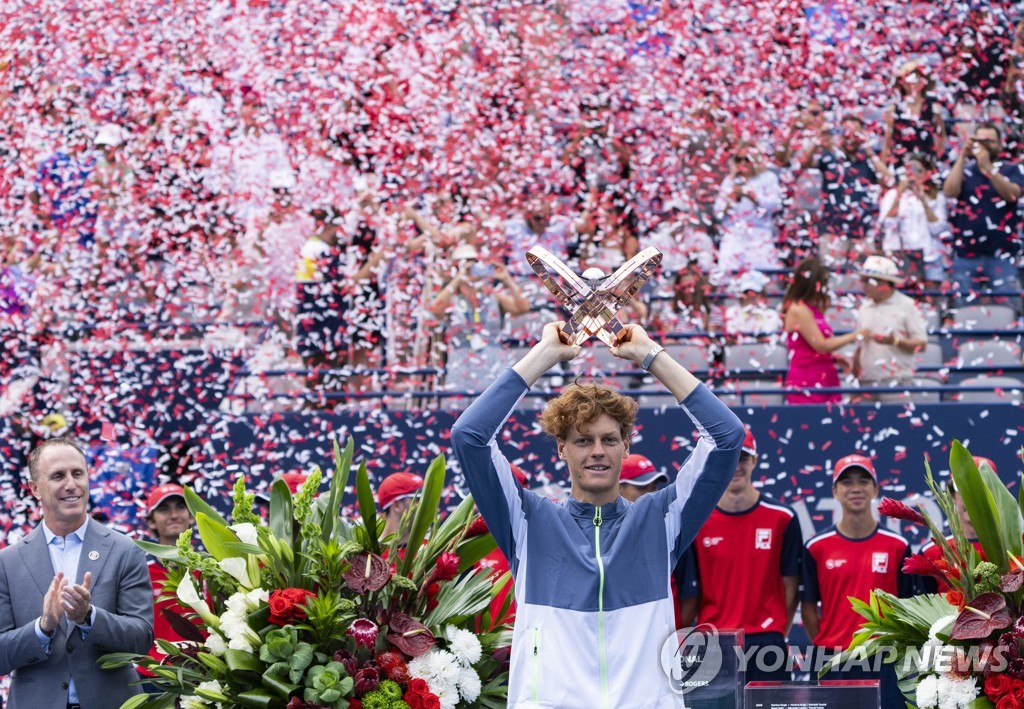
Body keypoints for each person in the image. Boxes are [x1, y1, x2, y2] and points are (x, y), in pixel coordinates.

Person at [450, 320, 745, 707]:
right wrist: (546, 355)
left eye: (609, 439)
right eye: (583, 441)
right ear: (561, 448)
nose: (597, 451)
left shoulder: (659, 519)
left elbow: (727, 436)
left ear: (626, 446)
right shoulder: (528, 521)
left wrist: (649, 355)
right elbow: (468, 436)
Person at [0, 438, 153, 708]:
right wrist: (42, 628)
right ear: (34, 489)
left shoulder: (124, 549)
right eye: (58, 476)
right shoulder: (7, 562)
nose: (71, 484)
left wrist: (89, 618)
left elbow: (141, 639)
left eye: (77, 473)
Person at [677, 428, 801, 681]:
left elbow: (791, 584)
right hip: (714, 639)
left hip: (766, 641)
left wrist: (775, 630)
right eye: (729, 457)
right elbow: (691, 591)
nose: (736, 466)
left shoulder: (782, 517)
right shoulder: (696, 520)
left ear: (754, 461)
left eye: (742, 458)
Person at [801, 454, 915, 708]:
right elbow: (808, 606)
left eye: (863, 481)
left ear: (875, 489)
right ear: (835, 491)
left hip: (883, 658)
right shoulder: (816, 547)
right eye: (846, 482)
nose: (855, 488)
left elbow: (908, 607)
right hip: (833, 659)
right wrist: (830, 641)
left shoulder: (897, 546)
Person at [941, 122, 1024, 301]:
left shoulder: (1011, 169)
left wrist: (988, 167)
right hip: (966, 254)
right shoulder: (965, 170)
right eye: (981, 141)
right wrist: (963, 156)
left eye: (990, 141)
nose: (985, 145)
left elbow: (1012, 194)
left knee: (1006, 309)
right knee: (965, 309)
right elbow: (949, 191)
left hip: (1002, 254)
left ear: (1000, 144)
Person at [798, 113, 889, 266]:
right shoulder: (830, 157)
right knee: (832, 276)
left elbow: (887, 180)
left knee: (865, 276)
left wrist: (868, 150)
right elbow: (804, 162)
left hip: (862, 230)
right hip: (833, 229)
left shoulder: (867, 160)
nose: (851, 139)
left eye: (856, 134)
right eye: (847, 133)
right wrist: (818, 139)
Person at [782, 257, 868, 404]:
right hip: (807, 381)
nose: (826, 287)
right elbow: (820, 345)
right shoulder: (798, 309)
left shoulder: (812, 308)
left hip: (825, 377)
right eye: (824, 282)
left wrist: (833, 357)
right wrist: (855, 335)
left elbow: (812, 346)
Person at [139, 484, 200, 679]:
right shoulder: (140, 571)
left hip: (204, 671)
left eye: (180, 507)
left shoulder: (211, 568)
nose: (173, 515)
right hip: (153, 674)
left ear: (191, 516)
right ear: (151, 522)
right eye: (164, 509)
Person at [853, 256, 928, 402]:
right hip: (867, 383)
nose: (865, 285)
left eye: (870, 280)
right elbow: (859, 347)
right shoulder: (864, 308)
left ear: (884, 283)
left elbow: (922, 344)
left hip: (897, 381)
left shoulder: (908, 306)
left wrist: (895, 341)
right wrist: (856, 381)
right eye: (864, 280)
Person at [878, 152, 950, 290]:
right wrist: (899, 193)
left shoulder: (936, 197)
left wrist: (923, 200)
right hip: (900, 256)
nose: (913, 175)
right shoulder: (892, 195)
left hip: (930, 256)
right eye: (909, 170)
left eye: (918, 171)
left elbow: (938, 229)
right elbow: (888, 224)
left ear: (927, 173)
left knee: (929, 303)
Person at [713, 142, 783, 274]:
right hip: (733, 234)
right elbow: (718, 212)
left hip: (759, 234)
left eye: (747, 159)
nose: (743, 163)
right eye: (739, 159)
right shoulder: (729, 181)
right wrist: (729, 201)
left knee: (761, 276)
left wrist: (754, 198)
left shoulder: (768, 178)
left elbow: (775, 206)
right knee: (729, 276)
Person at [377, 471, 425, 541]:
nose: (427, 505)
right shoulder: (368, 550)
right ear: (396, 505)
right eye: (418, 500)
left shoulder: (434, 549)